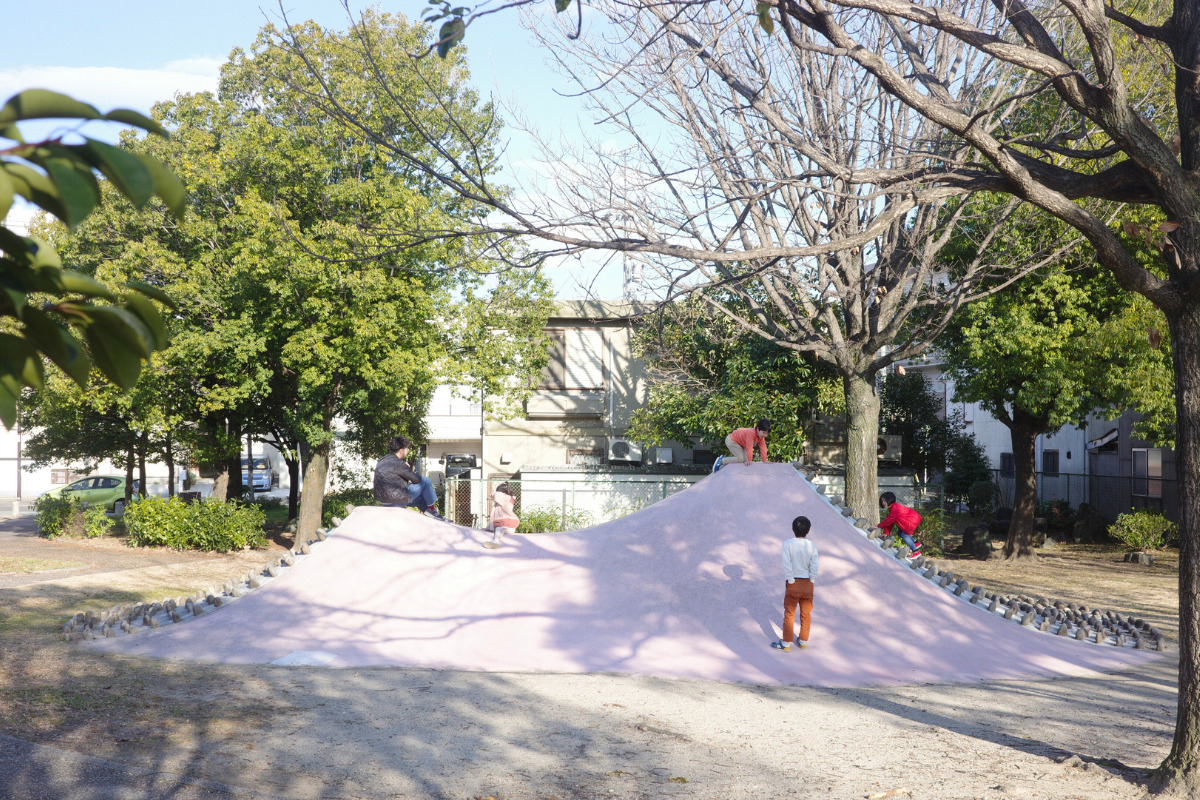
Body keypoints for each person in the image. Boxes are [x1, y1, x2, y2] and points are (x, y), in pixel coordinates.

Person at [772, 515, 819, 652]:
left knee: (789, 613)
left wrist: (791, 579)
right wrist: (812, 579)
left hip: (793, 583)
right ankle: (803, 640)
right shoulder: (812, 545)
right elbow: (814, 564)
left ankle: (786, 643)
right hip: (808, 583)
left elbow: (787, 564)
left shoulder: (787, 544)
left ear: (793, 529)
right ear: (808, 531)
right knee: (806, 613)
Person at [373, 435, 445, 521]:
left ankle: (429, 512)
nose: (408, 451)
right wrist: (415, 472)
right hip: (397, 499)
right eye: (407, 449)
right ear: (401, 451)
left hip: (384, 500)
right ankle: (432, 510)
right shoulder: (399, 463)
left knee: (420, 499)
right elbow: (416, 480)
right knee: (426, 481)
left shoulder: (382, 460)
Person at [876, 491, 922, 557]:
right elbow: (890, 523)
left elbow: (888, 521)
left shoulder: (895, 508)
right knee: (899, 533)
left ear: (890, 500)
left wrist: (878, 526)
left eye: (885, 501)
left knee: (903, 535)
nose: (883, 503)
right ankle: (916, 542)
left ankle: (915, 551)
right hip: (912, 519)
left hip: (911, 520)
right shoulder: (891, 509)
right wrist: (886, 533)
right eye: (882, 501)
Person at [484, 482, 519, 549]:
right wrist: (488, 528)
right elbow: (493, 518)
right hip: (508, 527)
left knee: (499, 529)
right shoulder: (498, 505)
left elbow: (497, 495)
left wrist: (494, 494)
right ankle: (496, 540)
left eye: (498, 492)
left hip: (509, 522)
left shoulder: (507, 499)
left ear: (504, 493)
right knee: (500, 529)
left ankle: (495, 542)